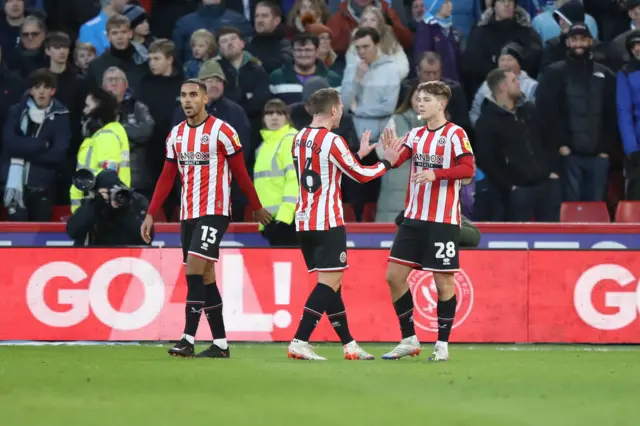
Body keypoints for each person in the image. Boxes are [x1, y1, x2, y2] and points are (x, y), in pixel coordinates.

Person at [140, 79, 272, 358]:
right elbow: (166, 177)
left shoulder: (223, 132)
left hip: (215, 212)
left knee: (193, 271)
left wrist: (256, 206)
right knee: (207, 276)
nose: (187, 100)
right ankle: (221, 344)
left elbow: (240, 173)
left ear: (205, 99)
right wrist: (151, 212)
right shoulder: (175, 135)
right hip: (188, 215)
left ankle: (187, 339)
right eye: (183, 96)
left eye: (193, 95)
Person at [287, 87, 401, 361]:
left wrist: (357, 155)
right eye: (341, 108)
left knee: (331, 285)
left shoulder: (298, 138)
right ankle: (299, 341)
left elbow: (323, 169)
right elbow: (360, 176)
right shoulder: (333, 140)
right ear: (334, 110)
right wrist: (388, 162)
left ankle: (349, 344)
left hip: (304, 220)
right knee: (328, 283)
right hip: (327, 220)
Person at [380, 81, 474, 362]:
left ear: (442, 104)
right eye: (418, 99)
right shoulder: (415, 135)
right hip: (413, 217)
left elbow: (468, 168)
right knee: (393, 277)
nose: (420, 103)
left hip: (442, 220)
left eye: (427, 99)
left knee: (443, 281)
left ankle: (442, 345)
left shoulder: (456, 134)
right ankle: (409, 339)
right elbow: (400, 160)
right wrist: (390, 157)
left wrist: (437, 174)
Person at [536, 23, 616, 202]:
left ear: (590, 41)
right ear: (567, 43)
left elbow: (612, 114)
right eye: (574, 39)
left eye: (582, 39)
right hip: (568, 155)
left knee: (596, 208)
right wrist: (561, 145)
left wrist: (605, 149)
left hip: (598, 155)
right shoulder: (554, 73)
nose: (578, 44)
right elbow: (547, 113)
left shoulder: (606, 74)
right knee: (571, 209)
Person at [475, 68, 561, 221]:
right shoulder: (486, 121)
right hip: (517, 192)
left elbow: (548, 139)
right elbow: (487, 160)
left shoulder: (529, 110)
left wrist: (553, 171)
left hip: (546, 185)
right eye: (514, 81)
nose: (519, 83)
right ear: (502, 87)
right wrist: (509, 186)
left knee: (551, 239)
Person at [1, 68, 70, 221]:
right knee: (17, 236)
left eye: (46, 87)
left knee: (39, 236)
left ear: (53, 91)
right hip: (15, 185)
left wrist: (23, 151)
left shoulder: (61, 115)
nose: (41, 92)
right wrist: (41, 145)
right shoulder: (16, 111)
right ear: (31, 90)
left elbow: (57, 154)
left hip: (42, 185)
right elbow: (9, 144)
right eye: (37, 87)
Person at [462, 0, 542, 101]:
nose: (507, 5)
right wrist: (497, 71)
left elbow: (535, 59)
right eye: (502, 1)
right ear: (494, 6)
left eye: (510, 1)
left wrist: (516, 69)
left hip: (522, 93)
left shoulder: (528, 32)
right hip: (487, 95)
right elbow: (472, 64)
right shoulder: (479, 33)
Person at [70, 88, 130, 212]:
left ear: (98, 107)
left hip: (100, 207)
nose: (84, 110)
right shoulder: (98, 135)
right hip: (94, 205)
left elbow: (108, 175)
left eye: (88, 106)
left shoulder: (106, 134)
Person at [102, 66, 155, 199]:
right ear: (103, 86)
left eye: (117, 80)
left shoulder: (138, 107)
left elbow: (146, 131)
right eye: (110, 80)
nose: (113, 83)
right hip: (105, 176)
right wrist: (128, 135)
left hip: (136, 177)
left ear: (126, 85)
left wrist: (117, 130)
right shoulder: (98, 108)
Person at [375, 80, 423, 222]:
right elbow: (380, 152)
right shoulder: (395, 120)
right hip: (395, 191)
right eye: (417, 98)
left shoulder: (442, 125)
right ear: (410, 99)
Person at [254, 99, 299, 246]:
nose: (274, 117)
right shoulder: (263, 147)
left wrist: (284, 218)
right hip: (272, 221)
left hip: (289, 221)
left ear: (287, 118)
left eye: (279, 113)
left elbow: (295, 181)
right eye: (269, 113)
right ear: (264, 119)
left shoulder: (290, 140)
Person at [66, 169, 150, 246]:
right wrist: (97, 204)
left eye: (112, 192)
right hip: (94, 256)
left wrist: (124, 208)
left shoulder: (135, 201)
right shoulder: (92, 203)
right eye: (106, 193)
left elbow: (146, 238)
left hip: (126, 258)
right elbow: (73, 231)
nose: (110, 196)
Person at [470, 42, 538, 126]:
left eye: (509, 60)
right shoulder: (487, 84)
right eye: (502, 60)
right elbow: (475, 111)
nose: (505, 64)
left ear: (519, 63)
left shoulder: (532, 86)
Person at [269, 32, 341, 105]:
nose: (303, 54)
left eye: (308, 50)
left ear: (317, 52)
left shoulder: (333, 79)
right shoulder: (276, 77)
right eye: (299, 50)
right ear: (292, 52)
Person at [172, 0, 253, 65]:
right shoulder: (184, 23)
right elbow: (176, 58)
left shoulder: (239, 21)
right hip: (194, 80)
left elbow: (249, 54)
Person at [87, 14, 149, 95]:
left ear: (130, 34)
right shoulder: (96, 66)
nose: (119, 37)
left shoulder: (145, 60)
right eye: (115, 33)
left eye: (123, 32)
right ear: (108, 36)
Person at [344, 6, 409, 79]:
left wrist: (390, 78)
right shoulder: (355, 45)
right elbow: (353, 68)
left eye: (373, 20)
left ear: (379, 24)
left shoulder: (390, 42)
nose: (368, 23)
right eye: (365, 20)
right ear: (361, 25)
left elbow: (403, 65)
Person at [616, 29, 640, 201]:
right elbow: (624, 113)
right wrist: (632, 149)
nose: (638, 48)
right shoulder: (625, 73)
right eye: (634, 46)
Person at [413, 0, 461, 82]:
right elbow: (422, 59)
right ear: (436, 6)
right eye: (446, 3)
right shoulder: (426, 29)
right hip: (435, 83)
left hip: (452, 81)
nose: (450, 6)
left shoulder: (450, 28)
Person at [246, 1, 292, 75]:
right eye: (256, 16)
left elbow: (281, 66)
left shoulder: (287, 46)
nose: (259, 20)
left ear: (276, 21)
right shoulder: (246, 44)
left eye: (264, 16)